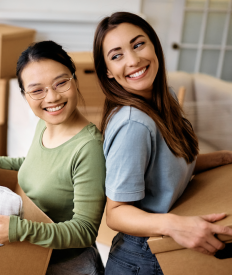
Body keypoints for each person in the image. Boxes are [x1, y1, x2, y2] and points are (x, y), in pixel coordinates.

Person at [92, 11, 232, 275]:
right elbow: (116, 212)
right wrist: (174, 225)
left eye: (138, 44)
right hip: (143, 256)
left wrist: (224, 158)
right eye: (117, 55)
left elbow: (168, 168)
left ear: (154, 45)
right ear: (108, 72)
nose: (133, 60)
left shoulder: (165, 97)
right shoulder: (133, 124)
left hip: (158, 244)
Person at [0, 41, 106, 275]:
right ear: (25, 95)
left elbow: (85, 231)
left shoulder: (88, 148)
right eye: (37, 90)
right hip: (34, 259)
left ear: (75, 80)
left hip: (70, 266)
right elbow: (35, 165)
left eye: (61, 83)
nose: (51, 98)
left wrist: (20, 230)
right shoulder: (44, 123)